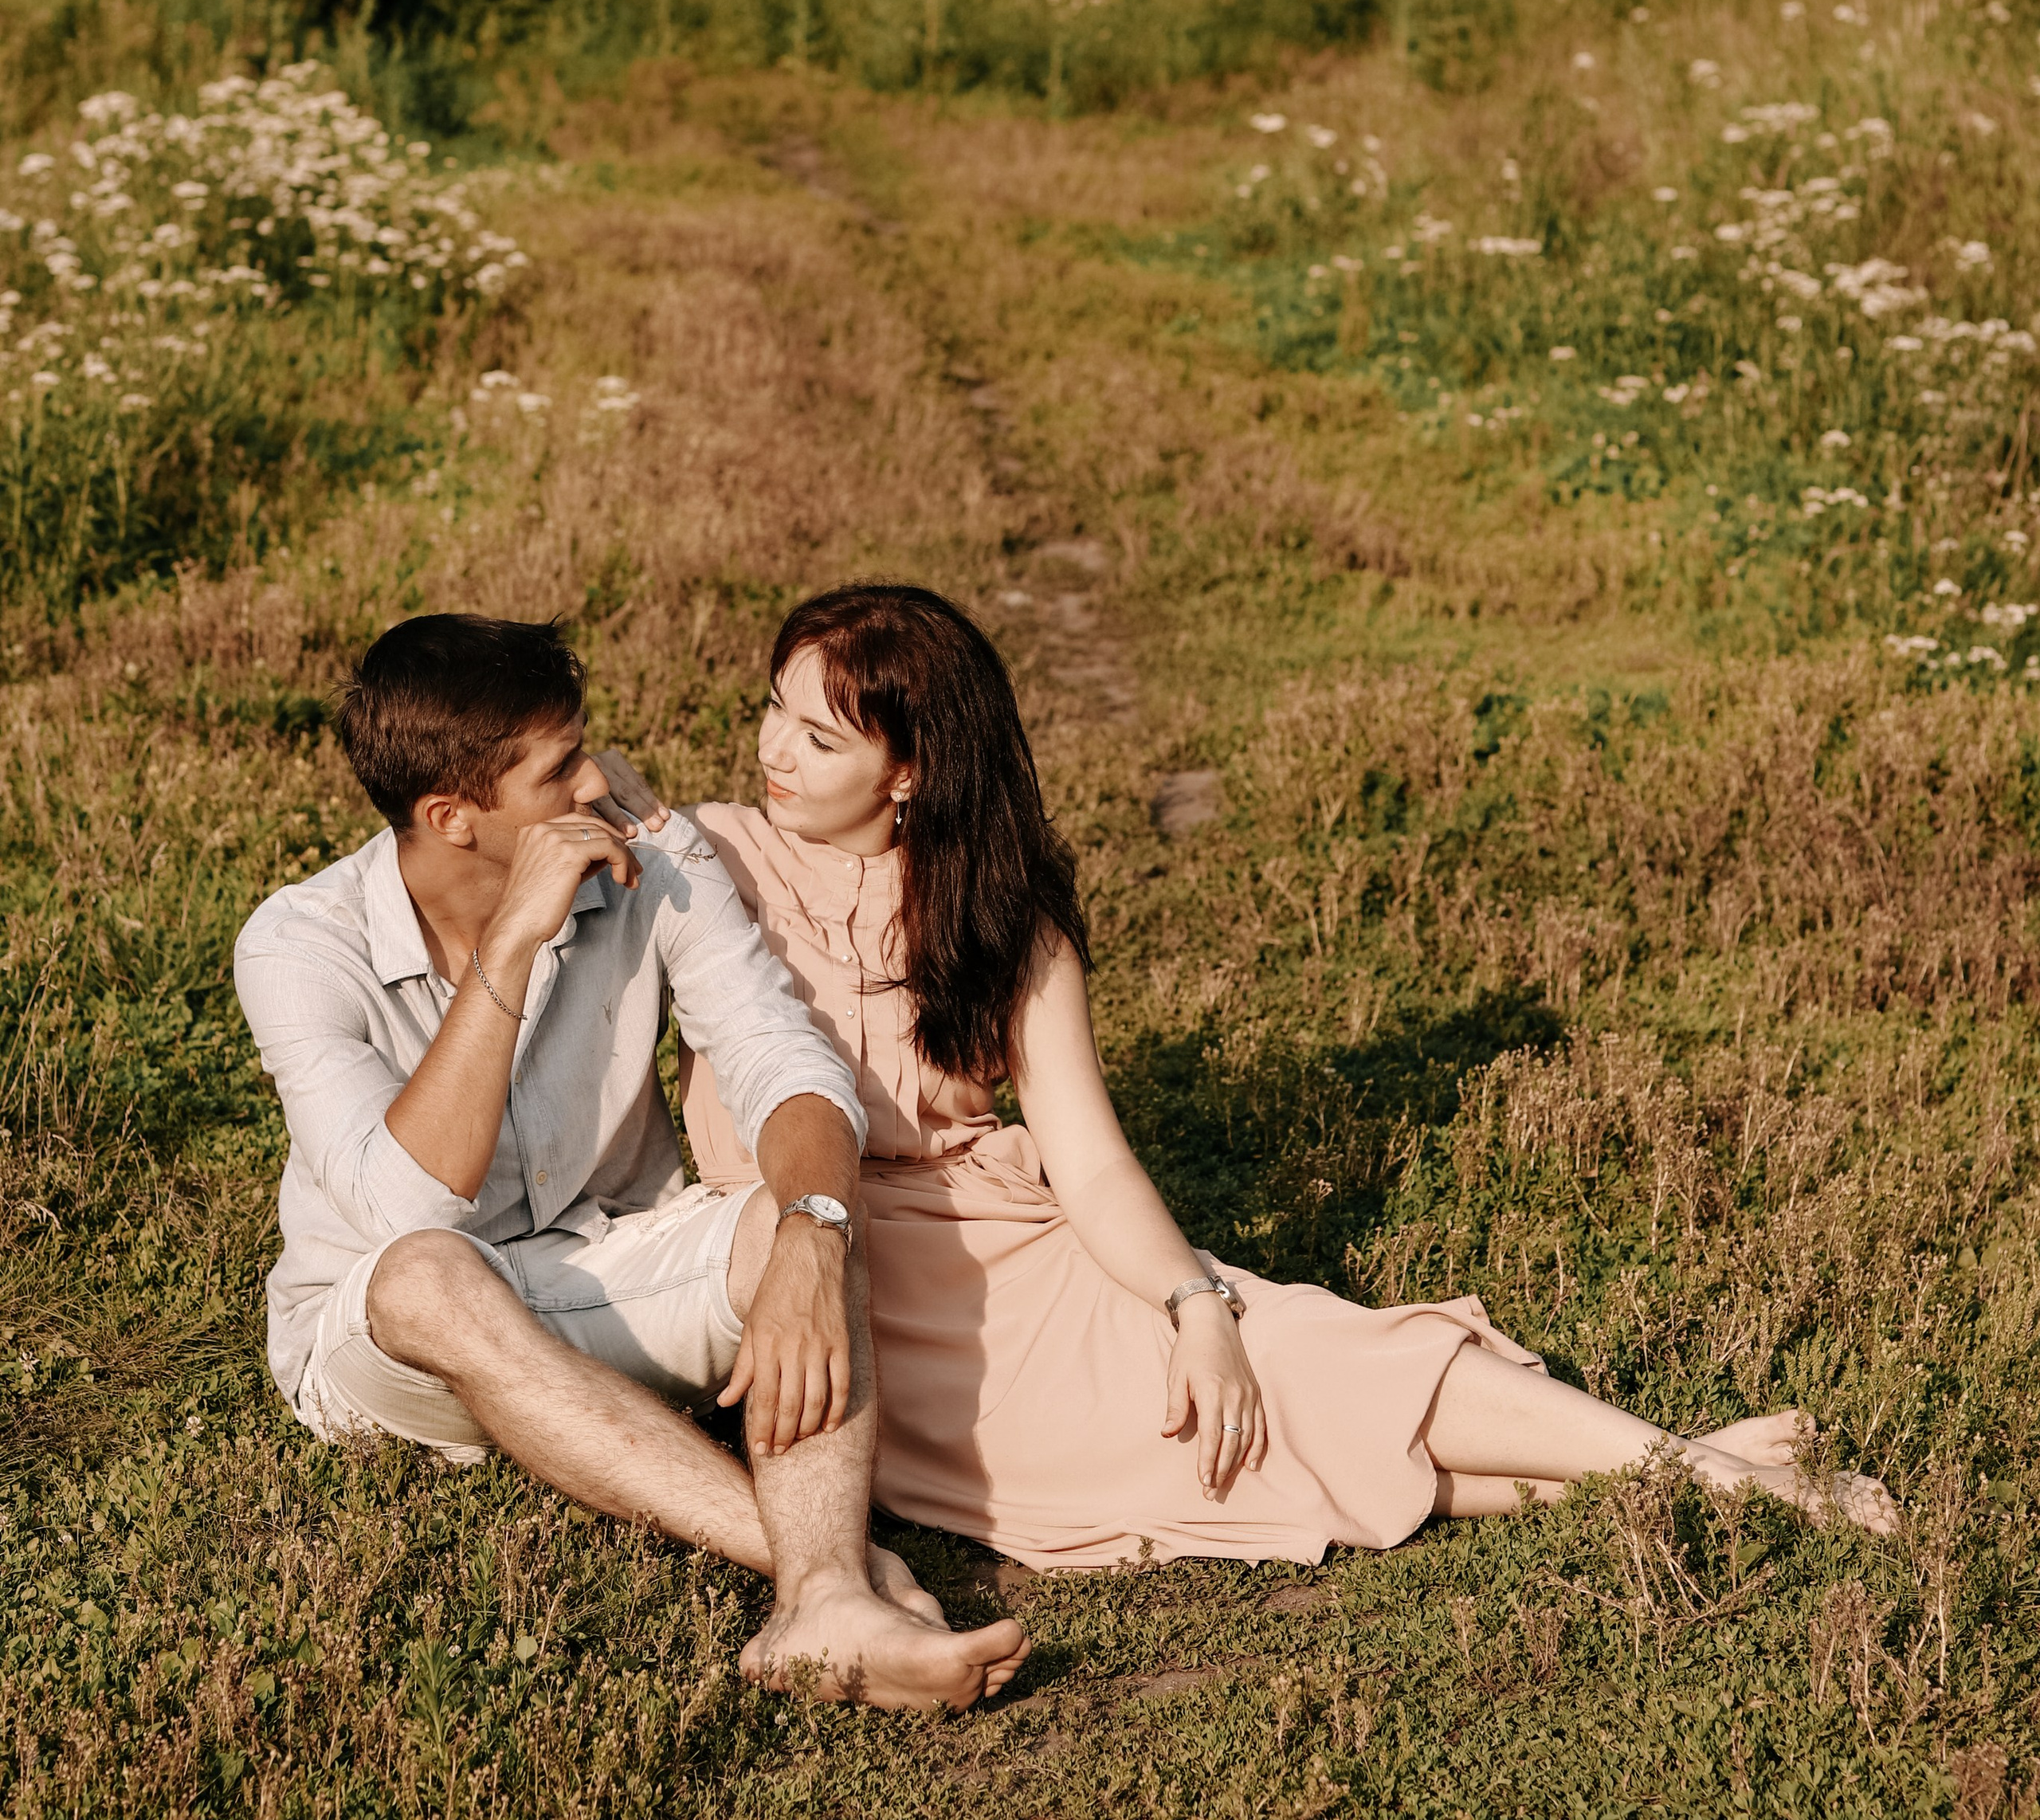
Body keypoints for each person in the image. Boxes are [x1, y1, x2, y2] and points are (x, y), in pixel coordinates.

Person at [639, 582, 1899, 1570]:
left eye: (816, 734)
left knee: (1273, 1354)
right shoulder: (715, 858)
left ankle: (1702, 1476)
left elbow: (1088, 1160)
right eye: (773, 711)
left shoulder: (1000, 920)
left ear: (910, 770)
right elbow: (583, 789)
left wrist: (1196, 1308)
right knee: (1218, 1448)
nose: (775, 751)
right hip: (841, 1268)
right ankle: (1694, 1468)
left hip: (1005, 1244)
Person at [232, 610, 1029, 1709]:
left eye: (584, 745)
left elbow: (780, 1060)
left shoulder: (646, 854)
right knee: (430, 1273)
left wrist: (812, 1229)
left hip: (601, 1265)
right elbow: (404, 1209)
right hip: (389, 1341)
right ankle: (818, 1566)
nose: (596, 780)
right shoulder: (295, 944)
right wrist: (512, 939)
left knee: (793, 1210)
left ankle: (824, 1608)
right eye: (559, 771)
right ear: (451, 818)